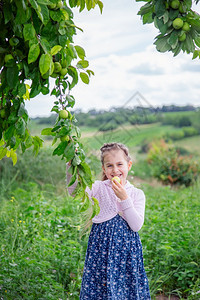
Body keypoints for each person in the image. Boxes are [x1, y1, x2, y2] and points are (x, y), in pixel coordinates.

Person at [67, 142, 151, 300]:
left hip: (126, 253)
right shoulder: (98, 187)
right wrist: (71, 165)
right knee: (101, 287)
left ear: (129, 165)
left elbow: (136, 225)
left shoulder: (136, 194)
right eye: (110, 166)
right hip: (102, 251)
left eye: (120, 164)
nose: (115, 170)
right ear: (104, 169)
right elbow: (74, 191)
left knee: (126, 287)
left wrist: (124, 199)